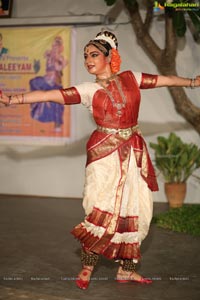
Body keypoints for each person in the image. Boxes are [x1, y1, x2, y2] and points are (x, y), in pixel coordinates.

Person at [0, 30, 199, 290]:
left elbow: (165, 80)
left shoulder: (131, 78)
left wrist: (193, 82)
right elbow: (53, 95)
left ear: (110, 56)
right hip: (104, 154)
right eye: (85, 56)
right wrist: (13, 99)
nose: (88, 60)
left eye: (93, 54)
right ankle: (87, 267)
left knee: (136, 209)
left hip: (133, 153)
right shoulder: (87, 90)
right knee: (98, 209)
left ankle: (126, 271)